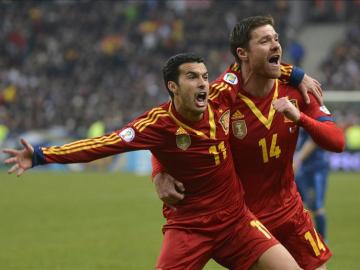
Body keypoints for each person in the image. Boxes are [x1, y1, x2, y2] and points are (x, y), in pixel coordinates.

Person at [2, 53, 301, 270]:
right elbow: (104, 144)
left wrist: (298, 76)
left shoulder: (222, 96)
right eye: (192, 77)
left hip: (236, 222)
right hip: (190, 228)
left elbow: (253, 58)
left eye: (205, 76)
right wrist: (41, 155)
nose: (203, 83)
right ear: (172, 86)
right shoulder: (156, 125)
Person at [152, 16, 345, 270]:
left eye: (276, 39)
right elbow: (176, 126)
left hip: (290, 213)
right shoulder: (222, 98)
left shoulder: (299, 90)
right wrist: (159, 173)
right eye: (265, 41)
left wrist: (300, 118)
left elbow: (336, 141)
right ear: (242, 53)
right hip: (243, 222)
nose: (276, 45)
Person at [294, 128, 330, 240]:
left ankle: (322, 240)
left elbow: (313, 140)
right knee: (298, 203)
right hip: (303, 168)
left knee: (316, 205)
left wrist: (297, 159)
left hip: (315, 168)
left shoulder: (312, 116)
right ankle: (305, 237)